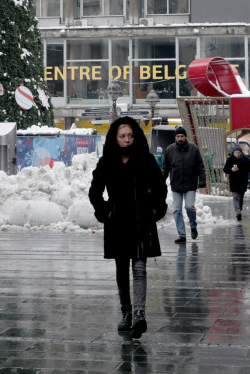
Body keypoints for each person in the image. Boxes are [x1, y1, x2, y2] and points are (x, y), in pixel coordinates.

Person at [88, 117, 167, 340]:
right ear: (115, 137)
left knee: (140, 270)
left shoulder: (145, 159)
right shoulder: (107, 162)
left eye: (130, 136)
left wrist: (155, 208)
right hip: (117, 222)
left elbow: (160, 187)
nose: (126, 140)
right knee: (122, 270)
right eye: (122, 136)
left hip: (141, 221)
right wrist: (105, 211)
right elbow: (95, 191)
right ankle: (126, 313)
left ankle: (140, 314)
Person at [161, 125, 206, 243]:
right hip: (176, 184)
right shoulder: (170, 150)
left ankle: (193, 225)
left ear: (185, 137)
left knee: (189, 206)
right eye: (178, 136)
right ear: (175, 137)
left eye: (182, 136)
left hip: (190, 184)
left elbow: (200, 166)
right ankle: (182, 235)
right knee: (176, 210)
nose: (180, 138)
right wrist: (161, 180)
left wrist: (202, 180)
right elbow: (165, 167)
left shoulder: (193, 149)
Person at [223, 146, 250, 221]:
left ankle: (239, 210)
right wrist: (231, 169)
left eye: (239, 153)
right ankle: (238, 212)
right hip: (234, 181)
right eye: (236, 153)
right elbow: (225, 169)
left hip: (243, 181)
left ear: (241, 152)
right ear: (233, 153)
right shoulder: (230, 159)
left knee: (241, 197)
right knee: (235, 197)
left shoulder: (246, 160)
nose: (237, 154)